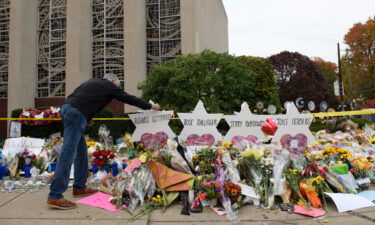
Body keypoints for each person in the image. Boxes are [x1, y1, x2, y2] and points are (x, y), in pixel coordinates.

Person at [47, 74, 160, 209]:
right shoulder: (109, 86)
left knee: (81, 153)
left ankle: (79, 187)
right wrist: (150, 106)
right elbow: (128, 98)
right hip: (76, 114)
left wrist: (86, 118)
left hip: (69, 110)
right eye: (117, 86)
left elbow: (78, 98)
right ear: (112, 81)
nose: (116, 90)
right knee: (68, 154)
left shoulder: (92, 82)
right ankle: (55, 196)